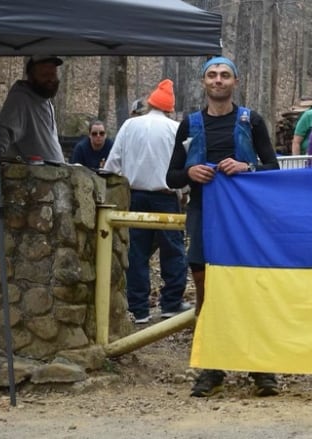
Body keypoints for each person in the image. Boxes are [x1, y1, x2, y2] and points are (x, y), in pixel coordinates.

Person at [165, 56, 281, 398]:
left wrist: (247, 167)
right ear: (204, 82)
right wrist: (189, 173)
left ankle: (261, 368)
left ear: (236, 81)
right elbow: (170, 176)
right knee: (207, 294)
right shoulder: (190, 124)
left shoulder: (252, 121)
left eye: (225, 75)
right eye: (212, 75)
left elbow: (272, 167)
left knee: (251, 290)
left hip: (247, 221)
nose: (218, 80)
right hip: (204, 216)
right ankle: (211, 369)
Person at [103, 79, 190, 325]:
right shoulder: (176, 129)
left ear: (150, 103)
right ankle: (171, 303)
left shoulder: (130, 126)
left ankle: (138, 308)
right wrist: (184, 189)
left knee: (137, 252)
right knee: (173, 251)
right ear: (169, 107)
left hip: (136, 195)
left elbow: (113, 163)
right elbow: (185, 166)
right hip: (166, 196)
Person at [0, 55, 65, 163]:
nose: (51, 79)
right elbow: (2, 132)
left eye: (53, 74)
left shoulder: (44, 98)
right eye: (44, 75)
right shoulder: (20, 99)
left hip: (55, 175)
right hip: (34, 176)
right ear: (31, 76)